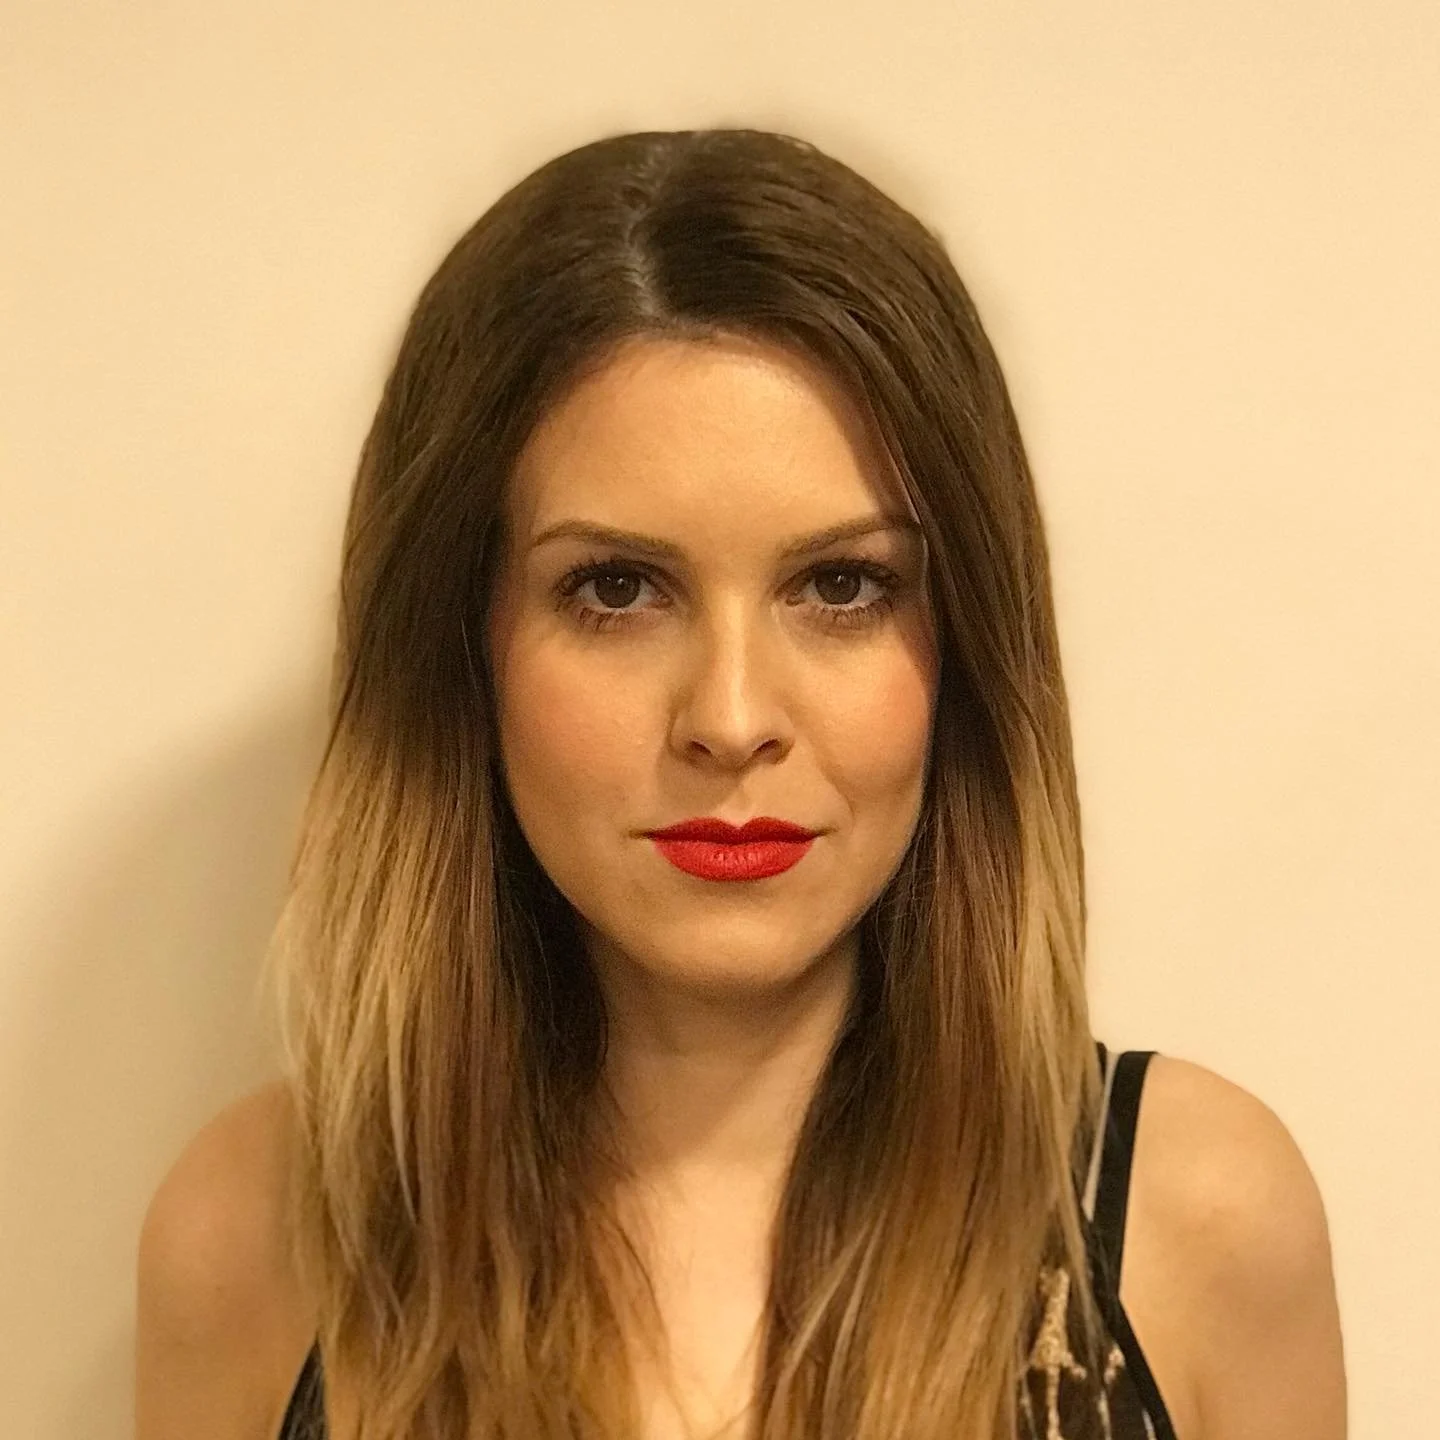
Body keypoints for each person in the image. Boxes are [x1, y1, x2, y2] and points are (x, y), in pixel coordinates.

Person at [134, 127, 1346, 1440]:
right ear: (460, 649)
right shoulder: (256, 1240)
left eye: (842, 585)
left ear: (967, 647)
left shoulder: (1196, 1224)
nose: (730, 718)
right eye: (615, 589)